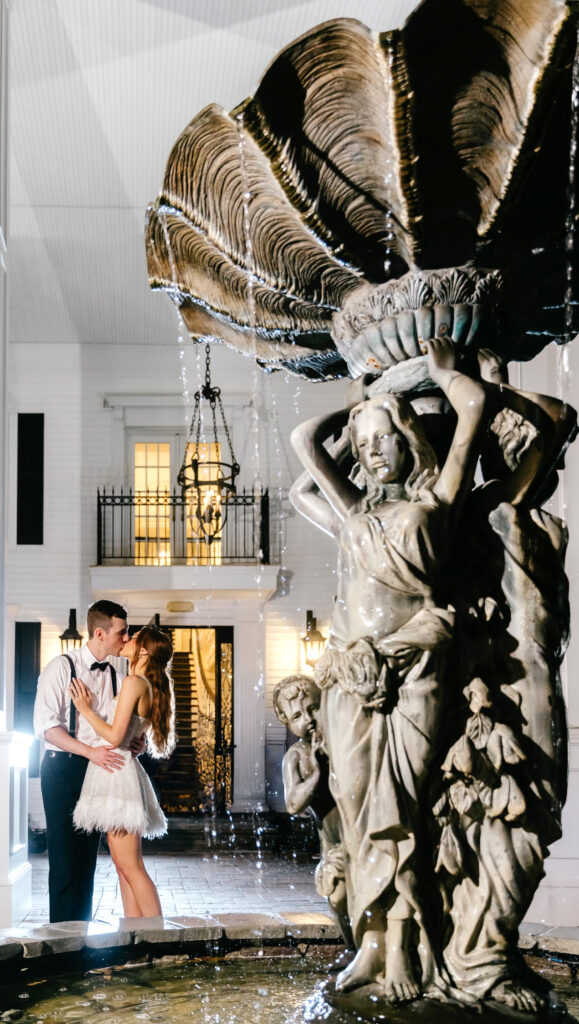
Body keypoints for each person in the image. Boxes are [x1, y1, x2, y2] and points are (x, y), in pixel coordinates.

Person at [289, 336, 487, 1003]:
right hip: (349, 684)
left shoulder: (432, 510)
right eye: (365, 442)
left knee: (400, 813)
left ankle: (407, 947)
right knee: (355, 812)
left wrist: (442, 376)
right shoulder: (352, 517)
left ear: (408, 444)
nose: (373, 449)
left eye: (384, 438)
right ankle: (372, 946)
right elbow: (301, 454)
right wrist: (360, 404)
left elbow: (472, 412)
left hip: (412, 680)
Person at [33, 599, 143, 923]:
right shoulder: (60, 668)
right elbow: (46, 728)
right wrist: (89, 752)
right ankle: (61, 943)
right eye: (122, 632)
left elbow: (115, 728)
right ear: (100, 632)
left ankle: (79, 938)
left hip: (98, 771)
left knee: (86, 861)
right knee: (65, 861)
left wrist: (136, 742)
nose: (126, 638)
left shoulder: (117, 676)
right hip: (63, 768)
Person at [70, 625, 175, 918]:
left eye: (135, 637)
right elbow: (131, 734)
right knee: (122, 864)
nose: (127, 639)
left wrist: (85, 709)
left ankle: (157, 938)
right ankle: (133, 934)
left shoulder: (134, 682)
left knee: (131, 866)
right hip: (116, 771)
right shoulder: (145, 684)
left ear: (144, 650)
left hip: (117, 773)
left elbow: (116, 737)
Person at [273, 674, 353, 949]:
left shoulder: (347, 743)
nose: (307, 718)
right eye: (297, 715)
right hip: (335, 848)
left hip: (363, 841)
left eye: (313, 708)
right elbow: (293, 804)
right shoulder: (296, 757)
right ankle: (352, 952)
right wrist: (318, 772)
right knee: (340, 899)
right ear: (287, 722)